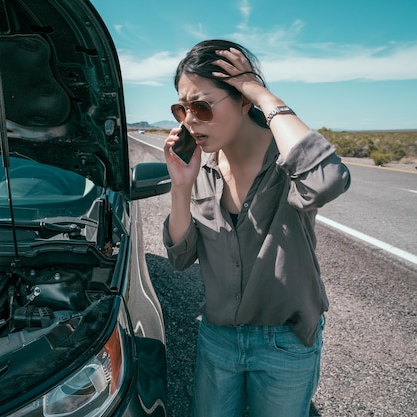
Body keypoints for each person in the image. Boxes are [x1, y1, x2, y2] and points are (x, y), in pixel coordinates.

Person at [162, 39, 351, 417]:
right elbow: (181, 257)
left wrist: (261, 92)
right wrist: (181, 187)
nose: (189, 121)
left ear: (243, 101)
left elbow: (327, 180)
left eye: (201, 106)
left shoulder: (286, 161)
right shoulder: (203, 169)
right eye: (181, 109)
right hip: (217, 337)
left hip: (284, 341)